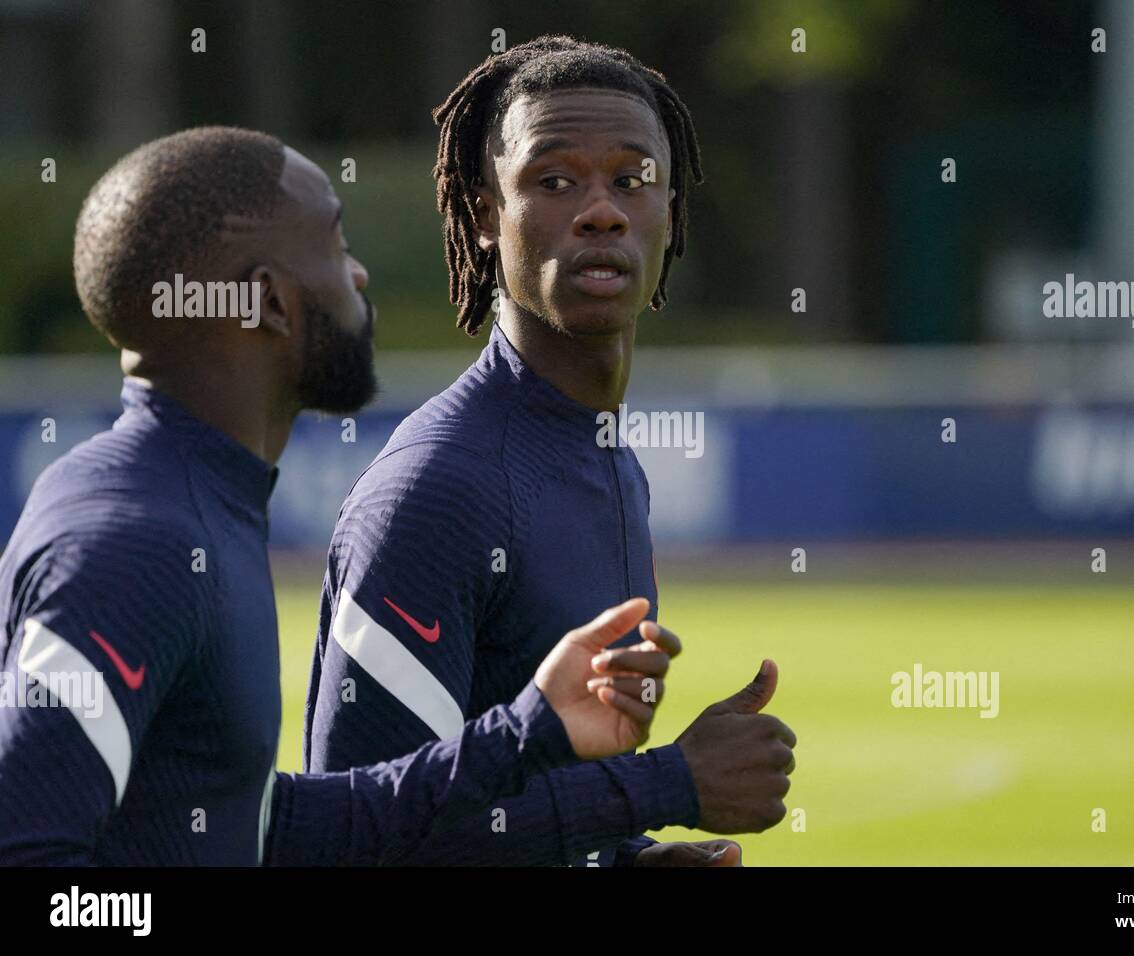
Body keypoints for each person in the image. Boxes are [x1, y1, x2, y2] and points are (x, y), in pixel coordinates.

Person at [0, 126, 679, 865]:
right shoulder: (137, 540)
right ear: (269, 302)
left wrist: (532, 734)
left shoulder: (189, 498)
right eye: (334, 245)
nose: (357, 276)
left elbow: (263, 827)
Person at [306, 36, 796, 867]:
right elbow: (352, 841)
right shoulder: (435, 489)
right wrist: (668, 784)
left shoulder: (606, 458)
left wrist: (626, 856)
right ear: (482, 216)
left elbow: (532, 789)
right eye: (553, 180)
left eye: (632, 180)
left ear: (669, 214)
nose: (601, 209)